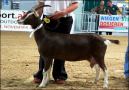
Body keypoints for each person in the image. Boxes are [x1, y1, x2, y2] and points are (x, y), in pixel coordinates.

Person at [33, 0, 78, 84]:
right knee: (45, 48)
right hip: (48, 19)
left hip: (65, 19)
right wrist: (36, 20)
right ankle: (41, 75)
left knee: (62, 48)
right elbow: (40, 5)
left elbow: (75, 4)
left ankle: (59, 75)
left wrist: (62, 12)